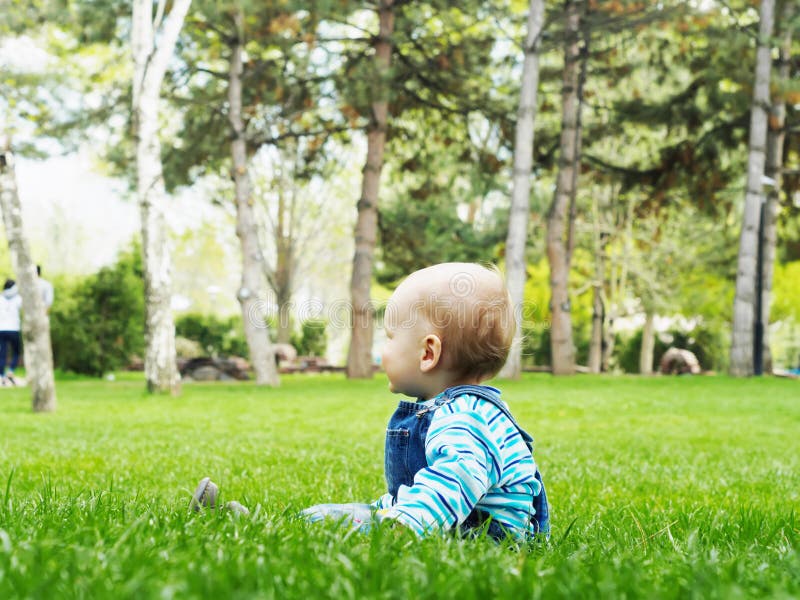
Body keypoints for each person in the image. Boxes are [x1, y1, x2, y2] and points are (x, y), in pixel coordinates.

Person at [191, 263, 549, 541]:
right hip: (439, 521)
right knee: (333, 514)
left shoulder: (465, 418)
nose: (383, 350)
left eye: (391, 337)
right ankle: (255, 523)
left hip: (477, 538)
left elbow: (454, 481)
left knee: (349, 528)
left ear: (428, 353)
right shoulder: (455, 408)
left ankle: (246, 524)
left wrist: (403, 526)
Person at [0, 278, 23, 386]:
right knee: (16, 353)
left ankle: (2, 376)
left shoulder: (0, 298)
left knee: (2, 354)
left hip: (2, 329)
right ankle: (10, 371)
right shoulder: (18, 298)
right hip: (14, 329)